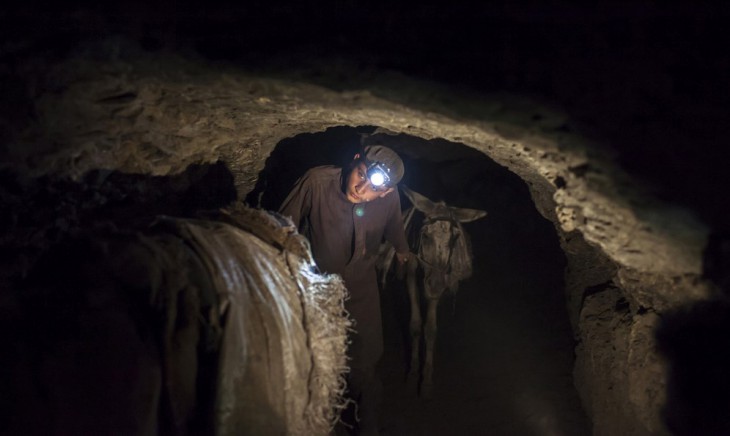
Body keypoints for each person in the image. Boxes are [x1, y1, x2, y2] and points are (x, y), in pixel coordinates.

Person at [279, 145, 411, 435]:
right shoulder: (316, 183)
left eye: (373, 188)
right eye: (360, 174)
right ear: (354, 161)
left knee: (366, 361)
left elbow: (395, 225)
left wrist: (402, 250)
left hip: (362, 287)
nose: (361, 188)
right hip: (316, 285)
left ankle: (368, 426)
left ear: (386, 192)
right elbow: (280, 227)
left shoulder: (390, 199)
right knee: (310, 359)